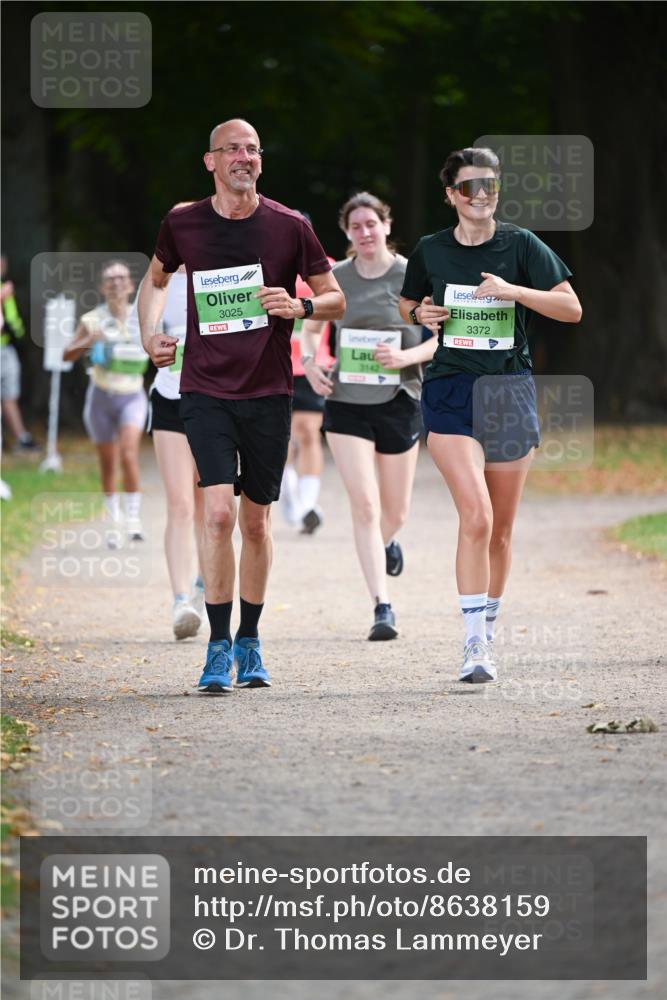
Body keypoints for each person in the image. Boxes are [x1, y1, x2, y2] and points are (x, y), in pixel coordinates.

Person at [138, 118, 345, 694]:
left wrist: (299, 308)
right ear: (211, 161)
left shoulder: (289, 226)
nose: (243, 157)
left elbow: (335, 297)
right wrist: (148, 334)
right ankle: (217, 645)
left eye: (252, 149)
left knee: (255, 523)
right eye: (232, 149)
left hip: (269, 391)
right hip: (203, 389)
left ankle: (250, 642)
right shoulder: (183, 222)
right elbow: (154, 281)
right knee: (218, 516)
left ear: (261, 160)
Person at [399, 147, 582, 683]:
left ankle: (489, 628)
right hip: (451, 390)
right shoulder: (431, 249)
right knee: (475, 516)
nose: (480, 195)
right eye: (469, 187)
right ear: (451, 195)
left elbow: (571, 308)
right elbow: (408, 305)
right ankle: (474, 644)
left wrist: (513, 291)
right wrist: (421, 313)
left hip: (508, 391)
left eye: (490, 186)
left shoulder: (521, 244)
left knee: (501, 531)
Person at [301, 192, 438, 641]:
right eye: (355, 227)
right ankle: (382, 606)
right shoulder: (336, 278)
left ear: (386, 224)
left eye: (370, 224)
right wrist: (311, 362)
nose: (363, 233)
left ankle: (385, 542)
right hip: (346, 403)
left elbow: (441, 337)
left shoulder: (410, 274)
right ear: (346, 233)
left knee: (395, 510)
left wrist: (405, 356)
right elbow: (313, 325)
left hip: (400, 397)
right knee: (365, 505)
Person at [134, 260, 206, 640]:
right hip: (170, 399)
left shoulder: (218, 274)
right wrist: (153, 344)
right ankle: (180, 601)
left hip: (215, 402)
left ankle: (205, 587)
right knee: (179, 503)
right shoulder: (155, 284)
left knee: (210, 505)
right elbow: (139, 335)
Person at [63, 260, 148, 544]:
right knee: (109, 463)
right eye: (110, 279)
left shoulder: (145, 317)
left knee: (128, 453)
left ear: (131, 285)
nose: (116, 283)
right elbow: (67, 355)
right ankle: (114, 522)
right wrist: (86, 340)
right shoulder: (92, 319)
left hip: (132, 396)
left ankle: (134, 519)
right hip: (100, 397)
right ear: (102, 287)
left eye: (121, 278)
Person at [279, 267, 334, 534]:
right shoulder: (266, 267)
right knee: (281, 440)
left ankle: (307, 506)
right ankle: (294, 504)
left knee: (309, 433)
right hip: (274, 366)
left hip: (313, 364)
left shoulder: (327, 269)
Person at [1, 255, 39, 453]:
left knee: (9, 396)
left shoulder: (4, 287)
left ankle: (20, 438)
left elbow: (11, 321)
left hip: (8, 348)